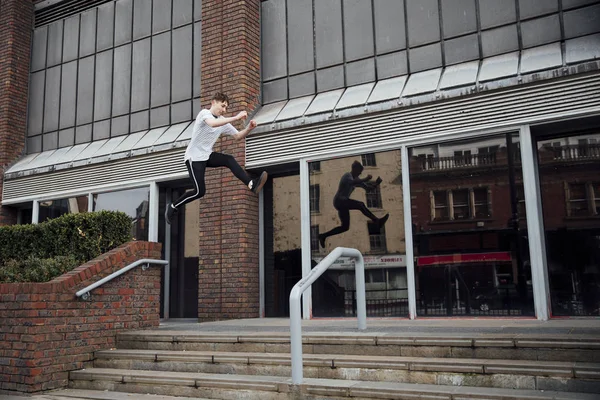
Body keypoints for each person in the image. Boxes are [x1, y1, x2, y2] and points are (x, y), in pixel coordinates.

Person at [165, 93, 267, 224]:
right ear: (213, 102)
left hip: (207, 155)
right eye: (222, 106)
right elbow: (212, 124)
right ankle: (173, 206)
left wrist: (249, 128)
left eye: (226, 108)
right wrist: (235, 117)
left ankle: (251, 184)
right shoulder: (204, 114)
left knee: (228, 159)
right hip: (194, 157)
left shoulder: (222, 121)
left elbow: (237, 136)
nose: (224, 110)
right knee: (199, 192)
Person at [319, 160, 389, 248]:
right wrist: (366, 179)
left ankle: (323, 236)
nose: (359, 174)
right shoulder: (347, 176)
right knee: (360, 205)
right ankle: (377, 221)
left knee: (345, 227)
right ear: (354, 169)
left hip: (343, 204)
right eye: (359, 172)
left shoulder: (357, 180)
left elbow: (368, 189)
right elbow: (352, 182)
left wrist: (376, 184)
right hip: (339, 201)